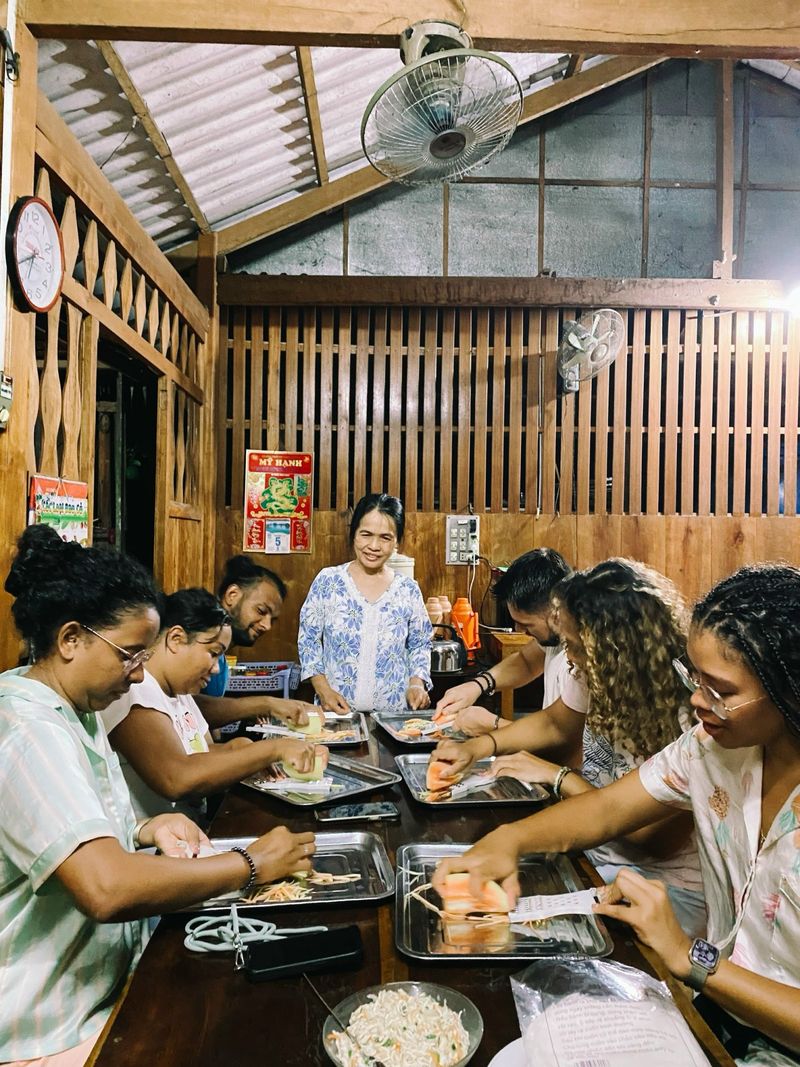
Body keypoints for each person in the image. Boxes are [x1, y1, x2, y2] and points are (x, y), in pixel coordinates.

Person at [434, 562, 800, 1065]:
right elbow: (608, 809)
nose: (697, 700)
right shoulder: (712, 748)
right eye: (694, 678)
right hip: (719, 1013)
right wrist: (506, 842)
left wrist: (690, 958)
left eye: (721, 691)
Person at [0, 526, 315, 1066]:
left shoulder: (80, 706)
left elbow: (74, 831)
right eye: (129, 654)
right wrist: (249, 864)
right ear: (71, 639)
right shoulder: (26, 731)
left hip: (103, 981)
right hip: (48, 1023)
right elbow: (105, 886)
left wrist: (144, 829)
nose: (141, 672)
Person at [433, 559, 706, 937]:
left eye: (575, 646)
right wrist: (480, 747)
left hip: (664, 886)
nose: (568, 658)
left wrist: (559, 777)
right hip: (597, 853)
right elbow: (554, 724)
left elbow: (649, 836)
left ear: (615, 649)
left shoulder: (688, 716)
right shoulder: (590, 670)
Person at [101, 587, 323, 822]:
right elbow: (178, 778)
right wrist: (272, 749)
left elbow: (203, 752)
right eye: (213, 653)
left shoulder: (178, 691)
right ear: (176, 639)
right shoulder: (135, 692)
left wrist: (243, 751)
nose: (216, 668)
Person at [298, 493, 432, 713]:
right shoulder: (328, 581)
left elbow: (420, 643)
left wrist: (416, 683)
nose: (374, 546)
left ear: (397, 541)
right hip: (336, 716)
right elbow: (309, 640)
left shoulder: (408, 590)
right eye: (366, 534)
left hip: (393, 718)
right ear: (354, 535)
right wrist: (323, 691)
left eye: (385, 538)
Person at [434, 548, 578, 741]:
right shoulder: (555, 635)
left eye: (527, 624)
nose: (519, 630)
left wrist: (493, 725)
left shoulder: (584, 659)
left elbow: (562, 740)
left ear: (556, 612)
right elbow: (526, 661)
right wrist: (477, 686)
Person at [195, 555, 315, 730]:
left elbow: (208, 733)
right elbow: (187, 709)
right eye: (261, 611)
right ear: (232, 595)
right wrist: (264, 705)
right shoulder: (199, 647)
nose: (266, 626)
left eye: (272, 620)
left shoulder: (221, 662)